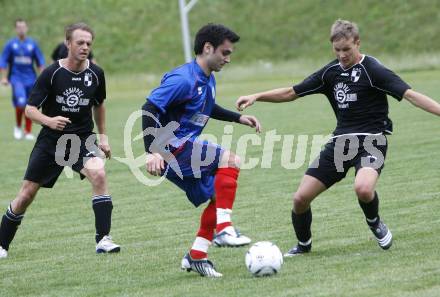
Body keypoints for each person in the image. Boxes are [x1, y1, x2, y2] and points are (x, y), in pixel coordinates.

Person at [236, 19, 440, 257]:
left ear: (358, 43)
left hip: (372, 140)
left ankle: (374, 222)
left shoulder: (373, 70)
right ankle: (303, 246)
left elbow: (411, 95)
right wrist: (257, 95)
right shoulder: (330, 73)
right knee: (300, 199)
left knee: (363, 189)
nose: (342, 55)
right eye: (337, 50)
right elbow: (292, 92)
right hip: (341, 144)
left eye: (347, 49)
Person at [142, 23, 261, 277]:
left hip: (178, 152)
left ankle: (197, 256)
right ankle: (224, 229)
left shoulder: (207, 79)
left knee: (218, 196)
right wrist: (150, 151)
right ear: (208, 48)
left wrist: (237, 119)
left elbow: (207, 107)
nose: (228, 59)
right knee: (231, 160)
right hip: (171, 148)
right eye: (225, 53)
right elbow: (150, 108)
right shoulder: (183, 78)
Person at [0, 22, 120, 259]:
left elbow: (100, 105)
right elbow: (30, 110)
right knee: (26, 194)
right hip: (51, 140)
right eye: (80, 42)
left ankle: (103, 239)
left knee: (99, 174)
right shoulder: (52, 73)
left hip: (82, 138)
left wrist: (103, 137)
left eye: (88, 43)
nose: (85, 47)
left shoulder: (96, 73)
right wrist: (49, 120)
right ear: (68, 43)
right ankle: (2, 243)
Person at [0, 18, 45, 140]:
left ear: (27, 28)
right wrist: (4, 78)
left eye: (23, 27)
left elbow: (40, 61)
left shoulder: (32, 44)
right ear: (15, 29)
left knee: (30, 105)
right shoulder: (11, 44)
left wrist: (43, 77)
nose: (21, 29)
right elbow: (3, 61)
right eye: (19, 27)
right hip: (16, 78)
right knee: (20, 103)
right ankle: (18, 127)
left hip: (31, 79)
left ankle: (28, 131)